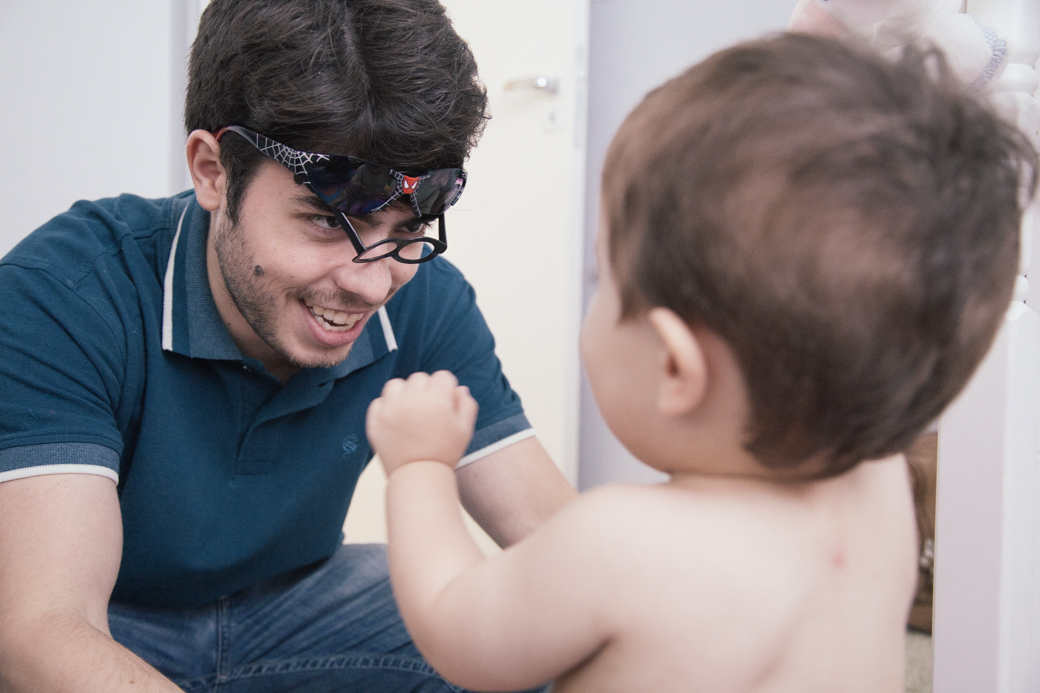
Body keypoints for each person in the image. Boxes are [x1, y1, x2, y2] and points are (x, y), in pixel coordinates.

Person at [366, 33, 1037, 692]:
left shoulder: (617, 543)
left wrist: (419, 465)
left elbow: (457, 624)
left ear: (676, 368)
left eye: (606, 283)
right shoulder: (883, 486)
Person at [0, 1, 575, 691]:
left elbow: (567, 553)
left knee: (530, 628)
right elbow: (43, 630)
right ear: (213, 171)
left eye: (408, 227)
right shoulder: (66, 290)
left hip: (294, 610)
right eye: (329, 224)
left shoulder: (422, 294)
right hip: (113, 619)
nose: (370, 282)